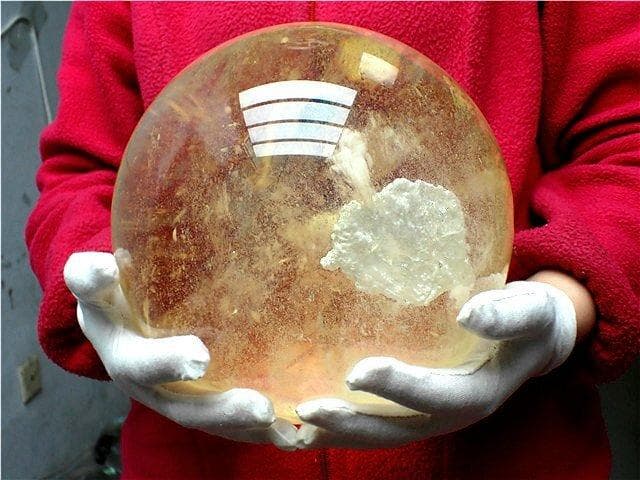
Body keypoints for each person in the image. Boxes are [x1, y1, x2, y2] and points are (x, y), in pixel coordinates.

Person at [25, 2, 639, 479]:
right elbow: (81, 172)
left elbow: (625, 146)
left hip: (509, 455)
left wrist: (564, 305)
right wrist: (101, 291)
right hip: (198, 454)